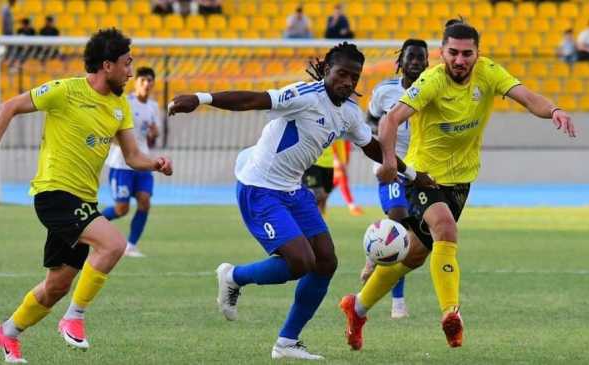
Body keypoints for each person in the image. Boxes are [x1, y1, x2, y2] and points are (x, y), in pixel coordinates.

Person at [168, 42, 434, 360]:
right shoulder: (304, 96)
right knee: (299, 262)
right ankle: (233, 276)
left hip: (292, 190)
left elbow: (372, 147)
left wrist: (411, 173)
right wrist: (200, 99)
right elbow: (254, 99)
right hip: (259, 188)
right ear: (325, 71)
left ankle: (287, 342)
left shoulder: (348, 112)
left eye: (354, 76)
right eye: (341, 74)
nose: (348, 82)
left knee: (325, 262)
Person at [339, 20, 575, 351]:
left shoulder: (490, 73)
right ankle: (452, 314)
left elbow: (526, 96)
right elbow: (391, 119)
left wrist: (554, 110)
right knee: (445, 230)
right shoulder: (431, 80)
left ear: (477, 54)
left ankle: (358, 308)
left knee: (416, 254)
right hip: (423, 176)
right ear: (442, 52)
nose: (460, 60)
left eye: (467, 54)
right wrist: (391, 161)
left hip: (461, 180)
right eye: (453, 53)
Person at [0, 28, 173, 363]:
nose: (131, 72)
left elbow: (132, 156)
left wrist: (155, 164)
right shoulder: (65, 90)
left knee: (56, 286)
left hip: (84, 200)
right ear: (106, 65)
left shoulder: (120, 106)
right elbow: (8, 107)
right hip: (54, 193)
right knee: (114, 245)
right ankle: (74, 317)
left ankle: (8, 331)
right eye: (126, 63)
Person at [357, 38, 430, 320]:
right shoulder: (385, 91)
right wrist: (380, 149)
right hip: (391, 167)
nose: (415, 61)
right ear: (401, 60)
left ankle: (392, 288)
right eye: (410, 56)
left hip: (422, 170)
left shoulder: (434, 89)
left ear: (426, 62)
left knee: (413, 239)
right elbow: (371, 121)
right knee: (397, 218)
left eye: (420, 57)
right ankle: (396, 302)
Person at [102, 66, 160, 258]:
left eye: (150, 80)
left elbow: (152, 137)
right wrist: (127, 147)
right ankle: (87, 227)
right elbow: (109, 133)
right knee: (121, 209)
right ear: (136, 82)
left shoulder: (153, 107)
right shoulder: (124, 102)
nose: (147, 84)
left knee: (145, 202)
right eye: (143, 80)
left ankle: (131, 245)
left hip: (143, 162)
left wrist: (154, 133)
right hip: (122, 164)